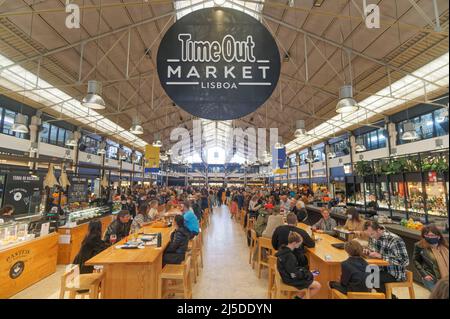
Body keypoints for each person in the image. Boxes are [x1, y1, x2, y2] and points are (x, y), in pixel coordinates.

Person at [363, 220, 409, 296]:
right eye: (369, 235)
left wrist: (381, 256)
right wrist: (368, 251)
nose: (371, 237)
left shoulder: (395, 240)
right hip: (378, 268)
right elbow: (373, 250)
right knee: (360, 274)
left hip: (394, 272)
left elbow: (404, 261)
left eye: (372, 234)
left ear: (378, 230)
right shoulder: (373, 236)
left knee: (372, 279)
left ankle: (391, 298)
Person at [276, 231, 321, 299]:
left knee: (311, 278)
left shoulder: (283, 250)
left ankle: (298, 297)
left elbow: (293, 269)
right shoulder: (289, 256)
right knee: (317, 286)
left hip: (287, 276)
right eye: (299, 244)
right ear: (294, 243)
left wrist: (306, 272)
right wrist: (307, 274)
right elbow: (294, 274)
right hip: (290, 279)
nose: (300, 245)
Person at [413, 224, 449, 291]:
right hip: (431, 278)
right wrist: (424, 274)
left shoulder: (445, 247)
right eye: (427, 236)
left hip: (446, 279)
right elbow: (415, 260)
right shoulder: (420, 246)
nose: (430, 237)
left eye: (432, 235)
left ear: (438, 236)